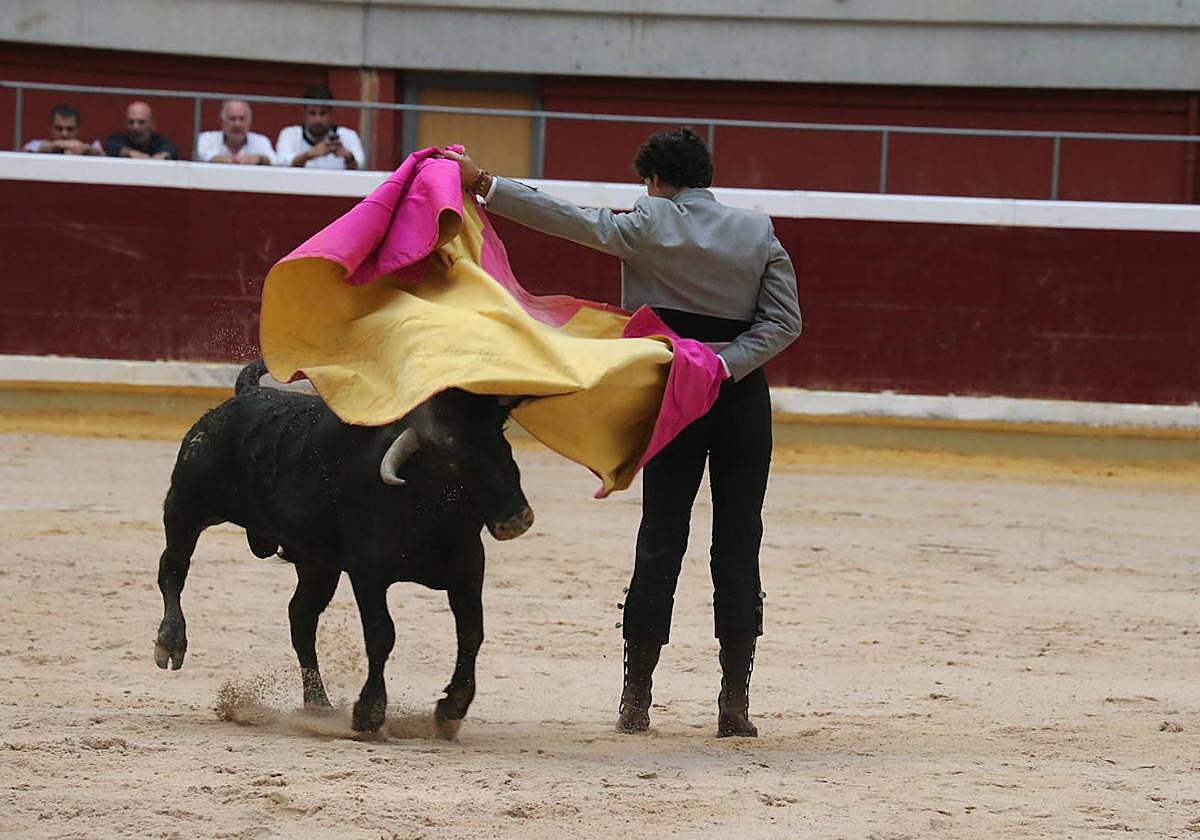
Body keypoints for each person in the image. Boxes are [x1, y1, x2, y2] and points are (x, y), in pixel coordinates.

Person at [443, 128, 801, 738]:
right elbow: (785, 323)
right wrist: (727, 363)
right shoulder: (757, 231)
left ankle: (637, 699)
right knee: (739, 542)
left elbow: (570, 220)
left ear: (657, 182)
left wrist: (483, 184)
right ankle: (734, 704)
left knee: (661, 535)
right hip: (743, 399)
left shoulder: (648, 221)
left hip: (673, 397)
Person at [274, 84, 364, 170]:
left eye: (323, 113)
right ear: (304, 113)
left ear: (331, 113)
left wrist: (348, 157)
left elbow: (360, 166)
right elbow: (282, 162)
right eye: (312, 113)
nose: (317, 120)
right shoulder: (290, 134)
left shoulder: (348, 135)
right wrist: (309, 155)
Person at [195, 99, 276, 165]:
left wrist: (259, 159)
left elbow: (274, 161)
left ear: (249, 122)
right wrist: (222, 160)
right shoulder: (206, 138)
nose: (237, 124)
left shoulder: (261, 140)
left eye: (242, 119)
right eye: (232, 119)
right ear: (222, 122)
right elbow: (201, 155)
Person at [104, 101, 178, 160]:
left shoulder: (162, 142)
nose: (135, 127)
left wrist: (161, 156)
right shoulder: (116, 140)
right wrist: (131, 153)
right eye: (131, 122)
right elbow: (112, 147)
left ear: (152, 124)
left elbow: (171, 150)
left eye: (141, 122)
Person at [23, 104, 103, 156]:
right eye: (59, 128)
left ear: (77, 130)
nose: (64, 134)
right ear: (51, 129)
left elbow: (100, 154)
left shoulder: (90, 147)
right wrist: (57, 146)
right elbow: (28, 150)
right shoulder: (35, 145)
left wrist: (85, 150)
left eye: (70, 129)